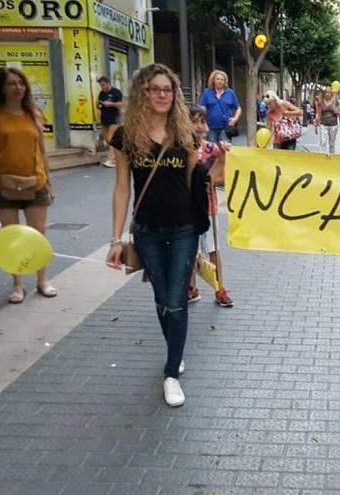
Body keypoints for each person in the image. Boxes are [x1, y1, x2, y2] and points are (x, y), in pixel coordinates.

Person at [105, 63, 214, 407]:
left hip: (184, 228)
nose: (162, 95)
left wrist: (219, 167)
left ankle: (171, 373)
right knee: (161, 298)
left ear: (175, 94)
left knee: (176, 299)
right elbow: (122, 189)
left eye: (168, 89)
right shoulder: (125, 136)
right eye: (155, 89)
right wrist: (115, 239)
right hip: (147, 230)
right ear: (143, 93)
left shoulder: (186, 133)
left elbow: (197, 178)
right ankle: (174, 352)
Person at [0, 68, 57, 304]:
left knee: (38, 234)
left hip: (35, 182)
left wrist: (49, 181)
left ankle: (42, 280)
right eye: (11, 84)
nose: (18, 88)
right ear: (2, 88)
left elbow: (42, 151)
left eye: (21, 83)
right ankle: (18, 285)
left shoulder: (34, 113)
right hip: (2, 182)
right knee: (11, 236)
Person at [185, 105, 234, 308]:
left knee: (213, 248)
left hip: (206, 207)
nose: (199, 126)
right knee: (187, 250)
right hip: (184, 209)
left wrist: (224, 152)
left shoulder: (210, 148)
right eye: (194, 121)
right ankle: (190, 288)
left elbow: (223, 169)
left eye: (202, 122)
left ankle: (219, 288)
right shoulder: (177, 148)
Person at [199, 70, 241, 143]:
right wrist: (203, 123)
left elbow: (238, 108)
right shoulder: (207, 93)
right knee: (212, 151)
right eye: (218, 79)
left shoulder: (230, 93)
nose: (220, 81)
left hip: (226, 127)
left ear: (225, 82)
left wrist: (236, 118)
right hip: (211, 128)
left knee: (224, 149)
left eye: (222, 79)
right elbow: (202, 109)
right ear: (213, 80)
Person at [97, 76, 124, 168]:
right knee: (107, 139)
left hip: (114, 119)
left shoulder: (116, 92)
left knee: (111, 138)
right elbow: (99, 104)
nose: (102, 87)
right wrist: (99, 104)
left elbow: (121, 104)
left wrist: (110, 104)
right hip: (105, 119)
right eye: (101, 85)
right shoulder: (101, 93)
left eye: (103, 85)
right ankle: (118, 156)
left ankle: (112, 159)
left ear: (108, 83)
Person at [315, 88, 340, 155]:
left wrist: (336, 111)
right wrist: (316, 124)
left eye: (329, 93)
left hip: (333, 124)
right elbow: (319, 113)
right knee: (323, 141)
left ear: (331, 94)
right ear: (324, 94)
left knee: (332, 143)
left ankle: (332, 155)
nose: (328, 94)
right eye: (326, 92)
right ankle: (322, 156)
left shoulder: (335, 101)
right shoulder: (320, 102)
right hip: (323, 124)